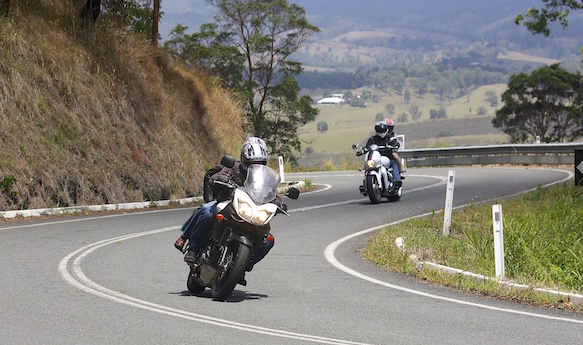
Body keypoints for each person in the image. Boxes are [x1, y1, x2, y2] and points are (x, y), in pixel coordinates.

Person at [173, 137, 277, 286]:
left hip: (252, 211)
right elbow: (216, 176)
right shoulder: (234, 167)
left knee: (268, 240)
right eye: (253, 163)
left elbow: (273, 193)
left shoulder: (266, 177)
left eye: (260, 163)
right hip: (229, 205)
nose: (256, 166)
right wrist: (221, 179)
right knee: (208, 213)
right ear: (244, 159)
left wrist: (279, 203)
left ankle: (243, 266)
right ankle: (193, 250)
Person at [365, 118, 405, 185]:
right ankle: (366, 182)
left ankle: (397, 180)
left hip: (388, 156)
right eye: (380, 130)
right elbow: (367, 146)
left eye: (383, 130)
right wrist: (364, 150)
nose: (382, 132)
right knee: (368, 165)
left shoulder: (390, 137)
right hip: (377, 157)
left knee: (393, 162)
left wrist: (394, 146)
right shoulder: (373, 139)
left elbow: (395, 143)